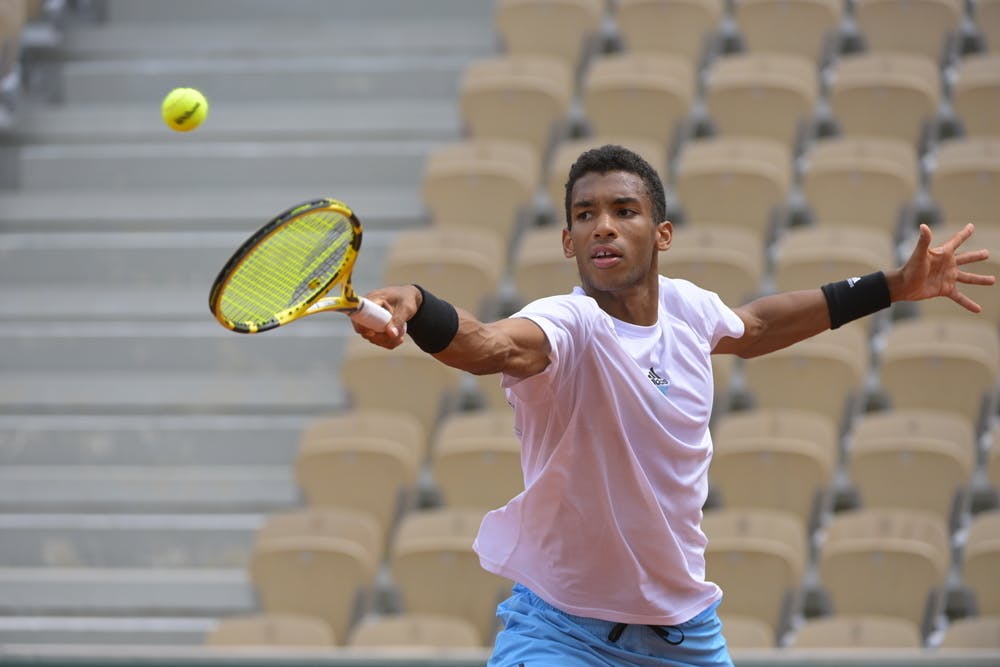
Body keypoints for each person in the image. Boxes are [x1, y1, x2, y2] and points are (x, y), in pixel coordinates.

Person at [353, 144, 994, 666]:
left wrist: (890, 286)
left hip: (683, 635)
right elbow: (488, 346)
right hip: (561, 636)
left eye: (623, 210)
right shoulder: (567, 325)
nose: (602, 224)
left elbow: (757, 327)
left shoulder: (687, 309)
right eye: (584, 215)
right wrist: (416, 301)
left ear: (662, 233)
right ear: (569, 243)